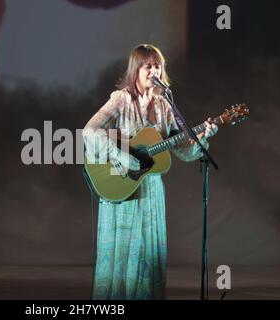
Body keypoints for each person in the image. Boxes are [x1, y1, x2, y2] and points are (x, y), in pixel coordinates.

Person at [82, 44, 218, 299]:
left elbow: (183, 150)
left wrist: (203, 135)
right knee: (123, 257)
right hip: (123, 186)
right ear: (136, 69)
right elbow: (90, 131)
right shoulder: (120, 99)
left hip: (151, 191)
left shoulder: (164, 105)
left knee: (146, 255)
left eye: (158, 66)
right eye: (148, 66)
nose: (154, 70)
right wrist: (120, 154)